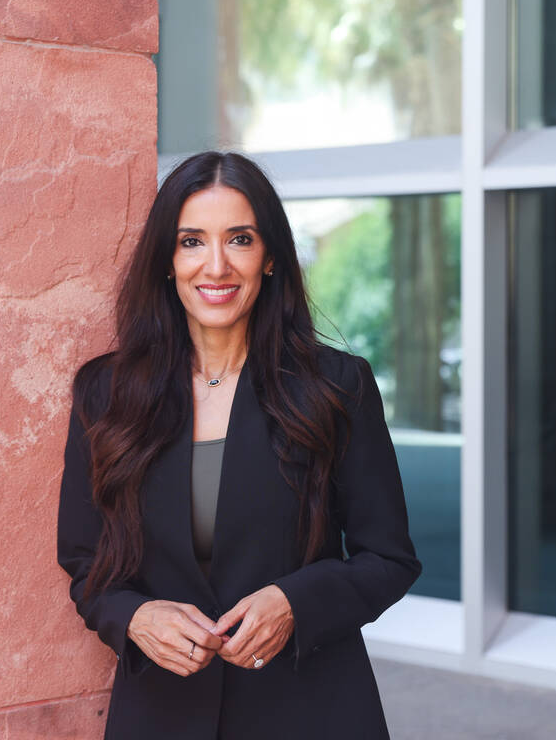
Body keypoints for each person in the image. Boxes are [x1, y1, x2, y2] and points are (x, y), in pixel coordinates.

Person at [56, 151, 421, 738]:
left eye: (240, 239)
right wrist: (134, 615)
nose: (216, 265)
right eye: (192, 241)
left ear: (271, 257)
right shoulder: (106, 393)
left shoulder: (337, 386)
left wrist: (295, 603)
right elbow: (85, 562)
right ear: (167, 261)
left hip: (310, 710)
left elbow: (391, 559)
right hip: (161, 715)